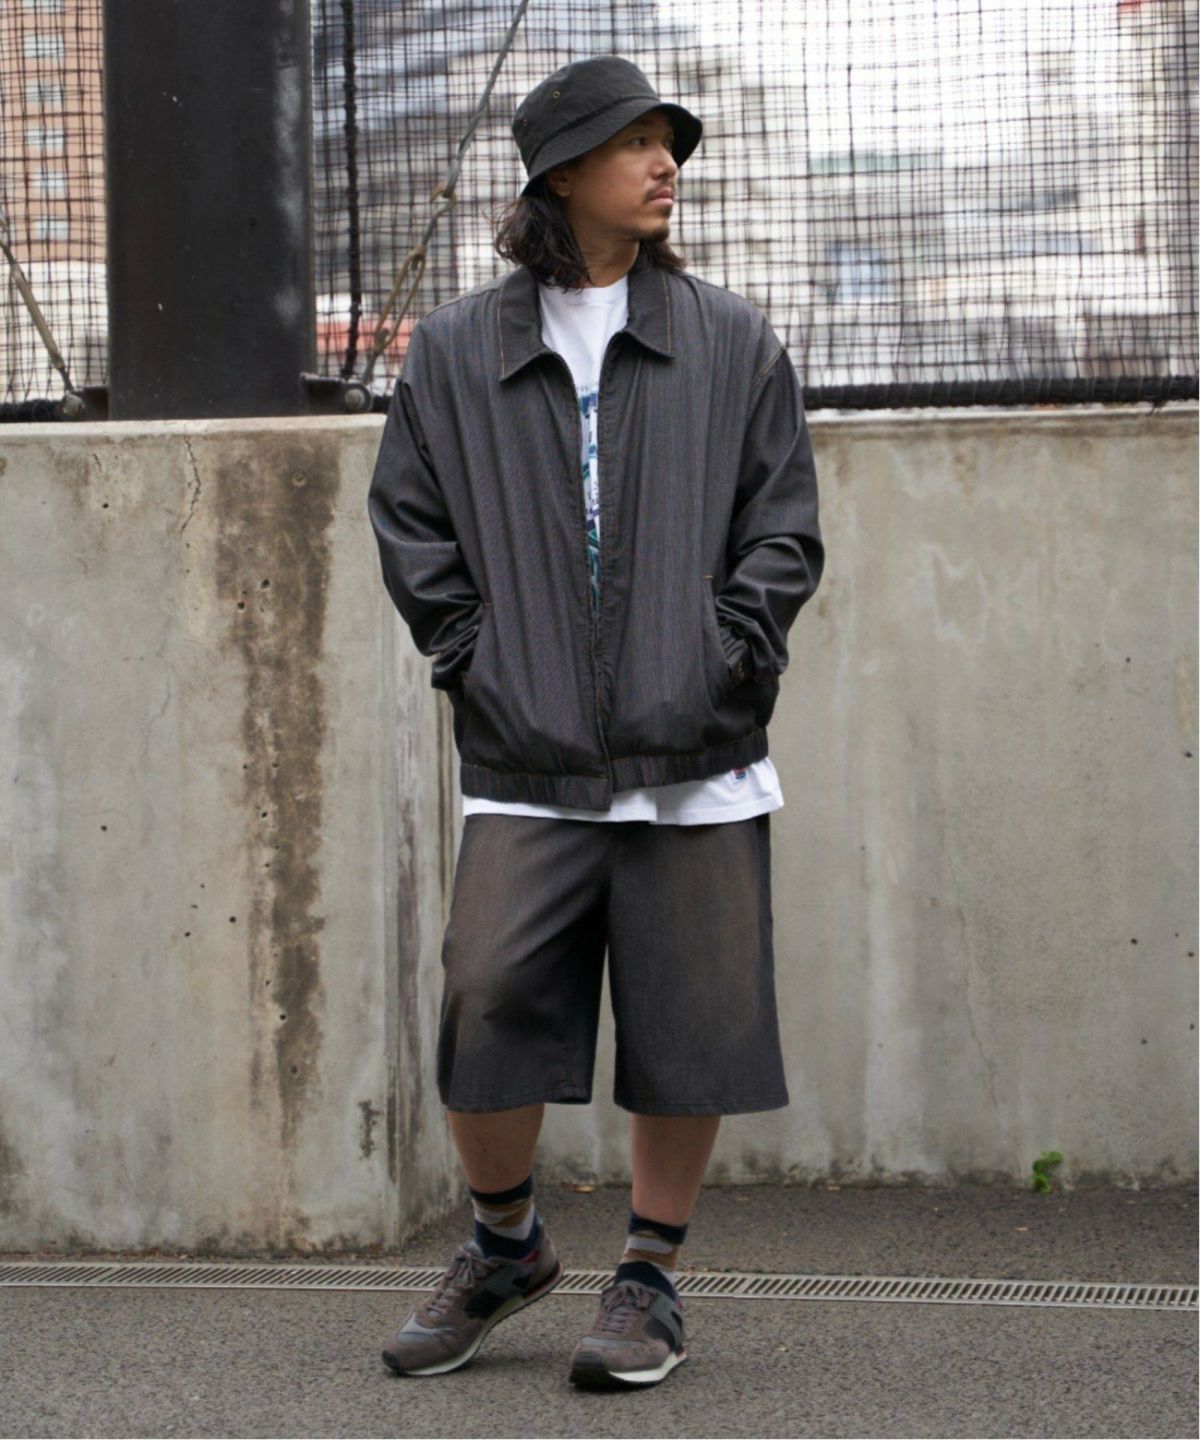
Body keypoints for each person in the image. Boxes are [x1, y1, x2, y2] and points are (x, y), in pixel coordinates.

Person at [367, 54, 823, 1389]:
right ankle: (505, 1246)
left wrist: (729, 657)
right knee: (489, 992)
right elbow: (411, 525)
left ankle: (648, 1281)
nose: (665, 162)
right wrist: (477, 659)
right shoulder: (458, 349)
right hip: (530, 755)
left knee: (690, 1022)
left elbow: (781, 528)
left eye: (669, 141)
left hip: (697, 751)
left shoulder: (730, 340)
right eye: (635, 143)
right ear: (561, 175)